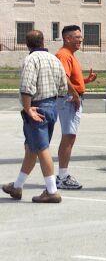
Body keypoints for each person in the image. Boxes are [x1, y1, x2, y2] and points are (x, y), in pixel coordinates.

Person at [3, 30, 67, 203]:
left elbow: (26, 87)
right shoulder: (55, 59)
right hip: (52, 107)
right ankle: (17, 186)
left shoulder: (31, 60)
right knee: (31, 148)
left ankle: (52, 191)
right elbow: (63, 88)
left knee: (41, 148)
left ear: (27, 44)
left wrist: (28, 108)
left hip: (37, 108)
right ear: (43, 41)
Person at [55, 24, 97, 190]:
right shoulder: (64, 55)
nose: (81, 40)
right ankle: (62, 176)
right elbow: (64, 79)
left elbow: (70, 79)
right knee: (68, 136)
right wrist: (75, 95)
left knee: (69, 136)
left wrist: (85, 81)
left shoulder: (69, 55)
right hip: (69, 100)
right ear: (67, 38)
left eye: (81, 37)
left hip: (71, 98)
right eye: (77, 37)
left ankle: (62, 175)